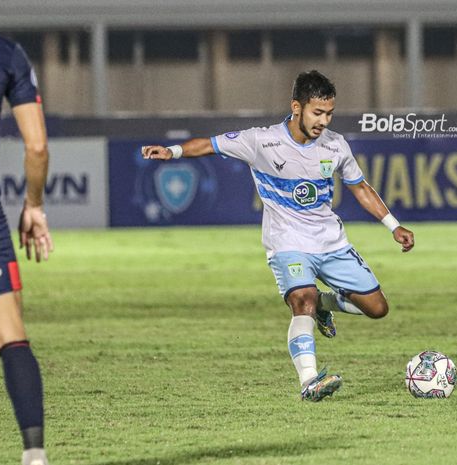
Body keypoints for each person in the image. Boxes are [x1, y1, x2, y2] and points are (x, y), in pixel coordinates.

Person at [142, 70, 414, 402]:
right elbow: (210, 145)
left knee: (377, 308)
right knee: (302, 301)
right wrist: (173, 152)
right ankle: (310, 380)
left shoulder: (335, 144)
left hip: (331, 242)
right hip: (287, 243)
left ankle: (325, 303)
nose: (323, 121)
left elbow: (360, 187)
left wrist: (393, 225)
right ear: (296, 107)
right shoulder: (262, 141)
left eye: (329, 113)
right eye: (317, 112)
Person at [0, 1, 54, 463]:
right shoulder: (4, 52)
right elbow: (36, 147)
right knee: (12, 339)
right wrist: (34, 206)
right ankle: (34, 455)